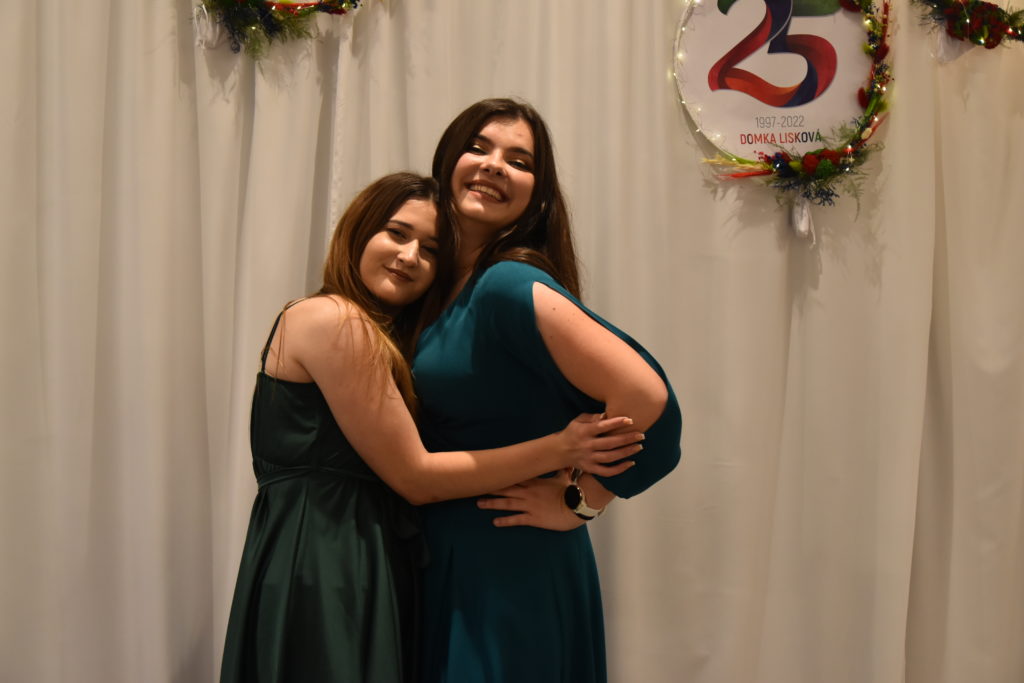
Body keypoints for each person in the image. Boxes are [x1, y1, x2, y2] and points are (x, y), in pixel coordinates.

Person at [219, 172, 645, 683]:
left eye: (430, 250)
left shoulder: (368, 332)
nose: (409, 256)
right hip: (331, 559)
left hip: (335, 553)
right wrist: (563, 448)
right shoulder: (336, 321)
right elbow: (416, 477)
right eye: (397, 233)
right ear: (359, 231)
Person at [412, 99, 683, 682]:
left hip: (506, 563)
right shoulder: (440, 290)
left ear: (537, 196)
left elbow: (646, 397)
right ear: (447, 162)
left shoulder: (506, 285)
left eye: (519, 161)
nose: (494, 165)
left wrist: (582, 502)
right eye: (478, 148)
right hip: (449, 558)